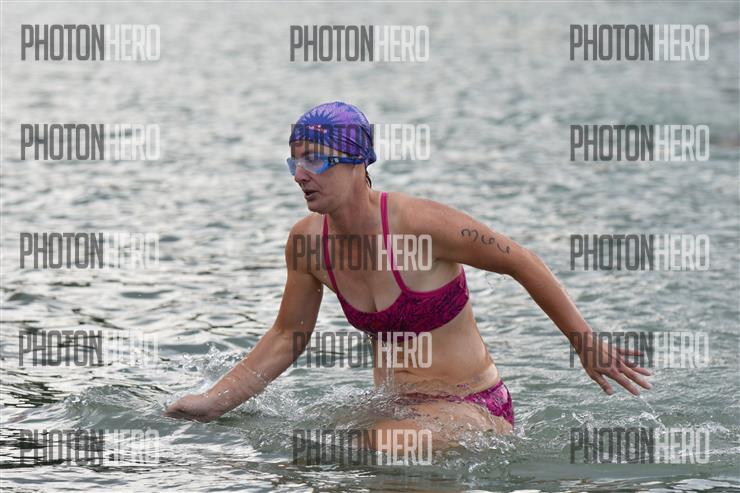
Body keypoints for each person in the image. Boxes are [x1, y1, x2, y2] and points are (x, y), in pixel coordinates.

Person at [165, 101, 651, 442]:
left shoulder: (420, 225)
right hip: (394, 409)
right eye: (293, 160)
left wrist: (585, 343)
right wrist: (214, 401)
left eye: (314, 159)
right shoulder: (308, 243)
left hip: (470, 408)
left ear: (357, 162)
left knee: (374, 448)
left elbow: (520, 260)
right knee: (295, 453)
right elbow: (286, 337)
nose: (299, 174)